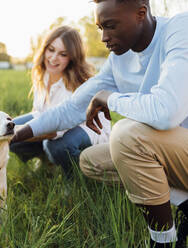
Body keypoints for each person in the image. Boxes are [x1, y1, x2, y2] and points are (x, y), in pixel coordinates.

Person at [11, 0, 188, 247]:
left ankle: (163, 242)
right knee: (92, 160)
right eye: (100, 28)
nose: (104, 37)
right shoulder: (119, 60)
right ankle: (185, 206)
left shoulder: (180, 29)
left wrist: (111, 98)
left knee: (127, 134)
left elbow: (166, 111)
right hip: (174, 152)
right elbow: (73, 107)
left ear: (140, 14)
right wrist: (15, 134)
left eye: (110, 26)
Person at [11, 26, 110, 175]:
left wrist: (16, 134)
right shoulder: (42, 73)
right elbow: (39, 111)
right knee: (10, 127)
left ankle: (75, 177)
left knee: (58, 146)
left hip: (88, 127)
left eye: (63, 54)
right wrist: (14, 131)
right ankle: (46, 161)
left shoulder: (75, 86)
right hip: (54, 123)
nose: (53, 58)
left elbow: (54, 130)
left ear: (72, 58)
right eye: (51, 50)